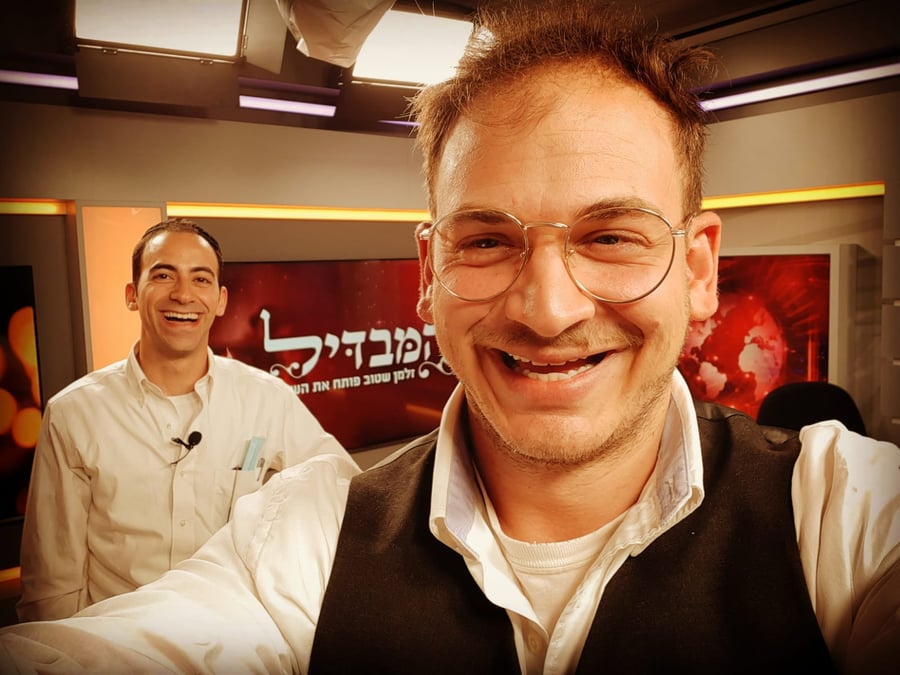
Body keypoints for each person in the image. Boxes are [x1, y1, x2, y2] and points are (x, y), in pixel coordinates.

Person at [2, 1, 898, 672]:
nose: (547, 309)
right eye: (488, 241)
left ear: (699, 269)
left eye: (611, 237)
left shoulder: (839, 514)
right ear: (430, 272)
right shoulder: (305, 540)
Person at [15, 218, 351, 622]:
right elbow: (52, 582)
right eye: (163, 275)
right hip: (121, 639)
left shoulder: (267, 399)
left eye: (201, 279)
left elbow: (342, 488)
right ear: (132, 295)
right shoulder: (74, 413)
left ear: (221, 299)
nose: (183, 294)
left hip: (240, 632)